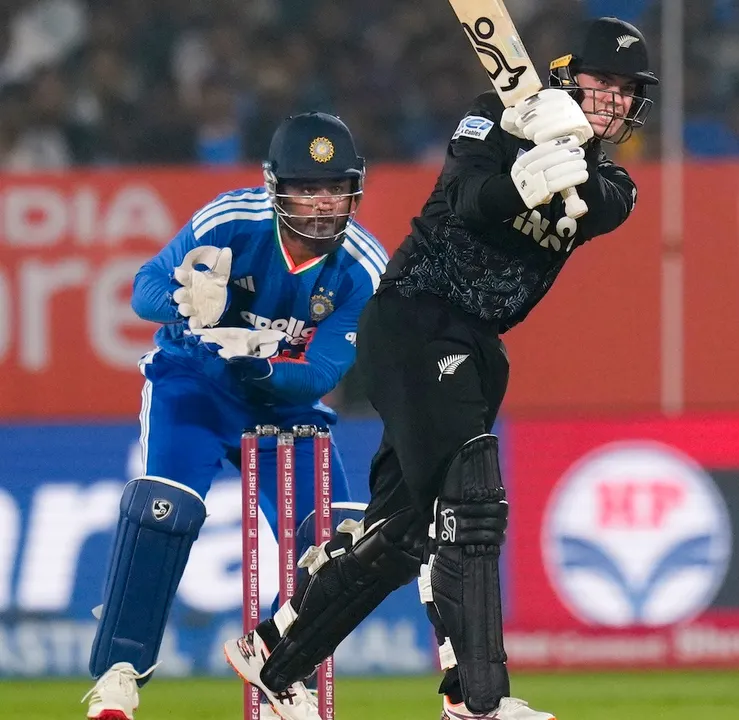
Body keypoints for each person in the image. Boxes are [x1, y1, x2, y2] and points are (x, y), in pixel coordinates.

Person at [223, 16, 657, 720]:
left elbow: (599, 205)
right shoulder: (492, 117)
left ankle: (273, 655)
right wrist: (519, 176)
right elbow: (467, 200)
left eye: (627, 89)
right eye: (602, 81)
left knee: (404, 535)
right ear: (566, 75)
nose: (614, 98)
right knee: (472, 501)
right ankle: (479, 701)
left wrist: (567, 154)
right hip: (415, 317)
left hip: (478, 344)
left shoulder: (613, 187)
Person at [82, 112, 385, 720]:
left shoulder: (362, 265)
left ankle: (283, 672)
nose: (323, 204)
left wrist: (258, 365)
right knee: (164, 509)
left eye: (335, 188)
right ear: (276, 186)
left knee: (340, 541)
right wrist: (185, 300)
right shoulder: (232, 219)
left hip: (285, 401)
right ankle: (118, 674)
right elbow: (144, 288)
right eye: (307, 188)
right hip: (195, 383)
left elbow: (322, 373)